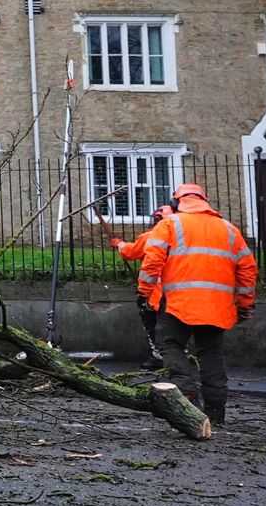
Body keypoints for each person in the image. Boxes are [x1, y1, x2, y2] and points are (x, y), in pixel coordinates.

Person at [137, 183, 257, 428]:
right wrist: (244, 304)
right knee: (211, 353)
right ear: (205, 201)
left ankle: (187, 394)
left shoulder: (169, 225)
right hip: (217, 306)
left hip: (179, 303)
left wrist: (144, 292)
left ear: (175, 203)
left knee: (170, 344)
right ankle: (216, 412)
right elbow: (247, 269)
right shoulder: (229, 229)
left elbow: (152, 261)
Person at [110, 203, 173, 368]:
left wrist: (118, 243)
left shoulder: (150, 237)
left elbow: (130, 252)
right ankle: (179, 357)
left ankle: (158, 357)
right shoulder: (184, 239)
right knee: (176, 329)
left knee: (152, 326)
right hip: (178, 293)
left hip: (154, 293)